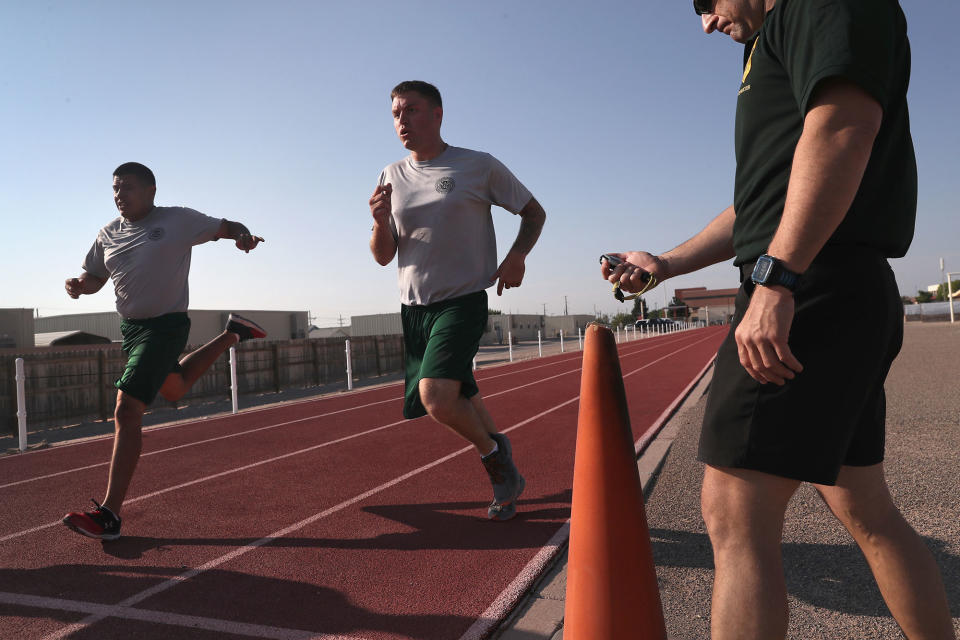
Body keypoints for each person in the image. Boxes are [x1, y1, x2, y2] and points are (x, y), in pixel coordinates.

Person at [602, 1, 955, 638]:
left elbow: (845, 128)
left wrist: (778, 276)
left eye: (706, 1)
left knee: (734, 515)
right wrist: (667, 264)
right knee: (865, 508)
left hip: (813, 282)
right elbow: (763, 199)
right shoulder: (768, 41)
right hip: (823, 281)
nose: (705, 22)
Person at [62, 162, 268, 541]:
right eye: (114, 189)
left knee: (127, 409)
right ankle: (232, 334)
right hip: (132, 331)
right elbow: (95, 278)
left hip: (166, 326)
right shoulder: (107, 233)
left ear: (151, 191)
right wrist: (79, 284)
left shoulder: (177, 220)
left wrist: (243, 236)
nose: (119, 196)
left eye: (127, 188)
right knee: (173, 388)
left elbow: (226, 226)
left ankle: (110, 514)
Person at [369, 81, 546, 521]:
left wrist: (517, 256)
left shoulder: (477, 166)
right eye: (396, 114)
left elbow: (533, 211)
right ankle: (504, 462)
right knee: (462, 394)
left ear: (437, 114)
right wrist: (377, 221)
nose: (401, 121)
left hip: (462, 300)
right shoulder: (391, 175)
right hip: (414, 309)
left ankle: (494, 458)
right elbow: (383, 255)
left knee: (437, 398)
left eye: (411, 111)